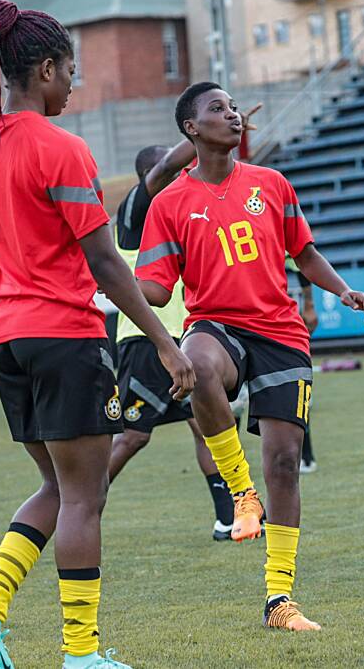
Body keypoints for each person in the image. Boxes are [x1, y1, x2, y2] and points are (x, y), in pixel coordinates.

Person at [0, 1, 193, 669]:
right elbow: (105, 261)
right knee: (87, 495)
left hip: (5, 335)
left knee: (58, 489)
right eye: (71, 72)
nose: (73, 85)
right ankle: (82, 656)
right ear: (47, 68)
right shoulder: (62, 147)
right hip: (62, 333)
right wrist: (166, 343)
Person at [135, 81, 364, 632]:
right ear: (191, 129)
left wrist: (342, 291)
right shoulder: (169, 202)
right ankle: (242, 494)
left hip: (282, 334)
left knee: (286, 463)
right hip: (217, 326)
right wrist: (108, 281)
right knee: (194, 365)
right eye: (217, 109)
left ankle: (279, 600)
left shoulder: (272, 184)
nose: (233, 115)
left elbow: (304, 252)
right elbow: (155, 288)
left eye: (234, 107)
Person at [107, 103, 261, 542]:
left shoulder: (183, 208)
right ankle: (82, 502)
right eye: (171, 166)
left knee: (208, 425)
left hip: (183, 338)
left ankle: (227, 516)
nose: (180, 172)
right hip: (143, 339)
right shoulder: (138, 207)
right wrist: (203, 138)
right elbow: (169, 167)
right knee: (134, 436)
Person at [286, 257, 319, 473]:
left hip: (283, 306)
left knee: (294, 387)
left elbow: (301, 260)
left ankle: (305, 456)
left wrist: (309, 304)